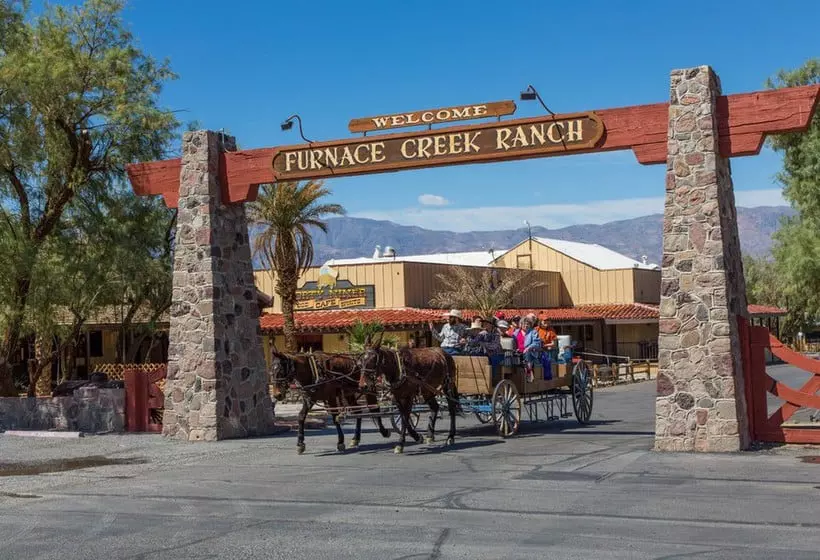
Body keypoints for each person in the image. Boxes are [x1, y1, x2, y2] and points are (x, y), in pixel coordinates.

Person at [521, 318, 543, 382]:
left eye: (527, 324)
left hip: (531, 353)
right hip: (519, 352)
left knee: (528, 354)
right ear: (521, 325)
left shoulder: (533, 332)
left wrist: (528, 348)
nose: (526, 325)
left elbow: (536, 343)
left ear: (530, 325)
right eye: (524, 324)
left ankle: (529, 372)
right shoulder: (517, 332)